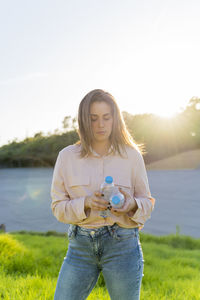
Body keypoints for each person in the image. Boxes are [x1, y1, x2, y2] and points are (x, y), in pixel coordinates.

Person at [51, 89, 155, 300]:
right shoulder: (66, 157)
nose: (100, 125)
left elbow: (147, 202)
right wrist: (86, 203)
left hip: (123, 246)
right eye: (93, 118)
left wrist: (131, 204)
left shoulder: (131, 156)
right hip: (80, 248)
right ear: (83, 121)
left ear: (115, 119)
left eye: (106, 118)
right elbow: (57, 208)